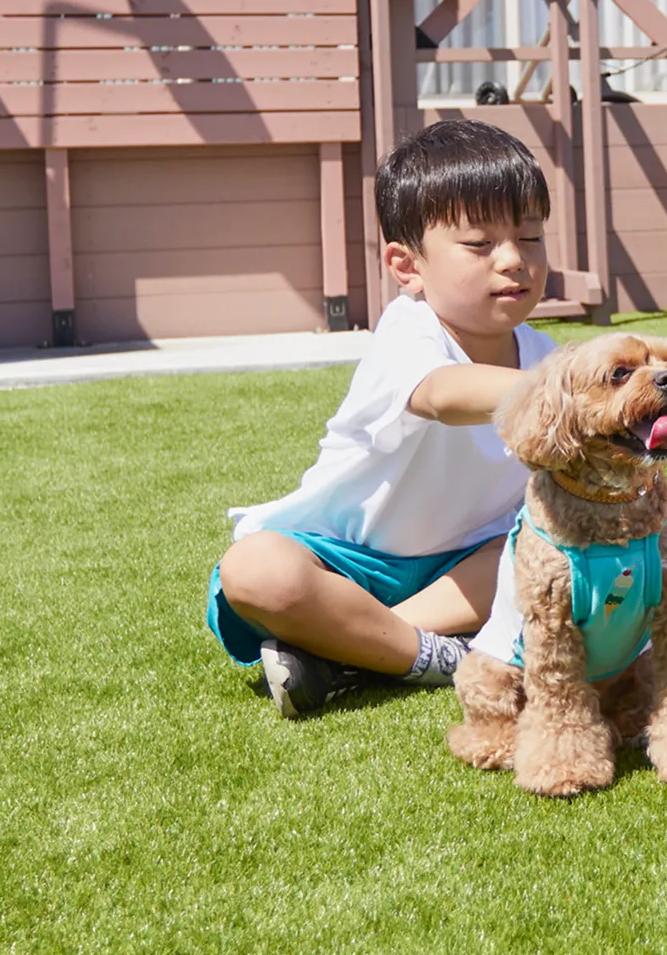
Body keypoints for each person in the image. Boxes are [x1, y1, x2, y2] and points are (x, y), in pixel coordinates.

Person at [209, 122, 558, 718]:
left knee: (544, 552)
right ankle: (446, 659)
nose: (514, 261)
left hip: (464, 572)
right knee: (255, 570)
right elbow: (444, 396)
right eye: (480, 244)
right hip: (343, 563)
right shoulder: (409, 332)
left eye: (530, 237)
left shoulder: (545, 355)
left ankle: (351, 652)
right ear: (406, 264)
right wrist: (574, 393)